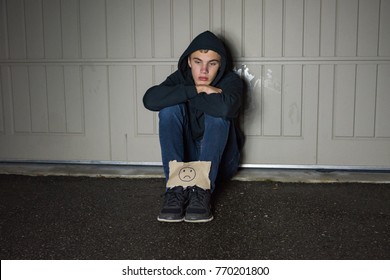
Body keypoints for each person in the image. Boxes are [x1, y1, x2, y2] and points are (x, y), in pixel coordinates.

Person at [143, 31, 243, 223]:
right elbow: (150, 100)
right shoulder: (180, 78)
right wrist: (198, 90)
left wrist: (183, 95)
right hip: (186, 161)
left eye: (211, 63)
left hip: (222, 162)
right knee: (168, 110)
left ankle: (201, 191)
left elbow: (225, 107)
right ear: (189, 62)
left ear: (220, 64)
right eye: (198, 62)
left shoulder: (231, 81)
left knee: (219, 115)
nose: (203, 71)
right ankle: (175, 189)